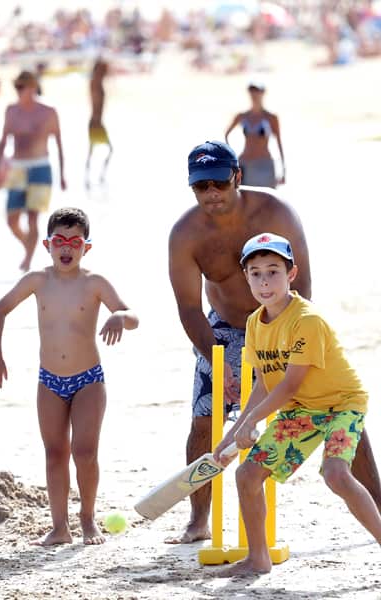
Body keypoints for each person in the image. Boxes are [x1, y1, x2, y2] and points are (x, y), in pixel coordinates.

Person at [167, 140, 381, 544]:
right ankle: (199, 518)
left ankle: (379, 503)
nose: (211, 194)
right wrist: (218, 362)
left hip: (289, 321)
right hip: (228, 329)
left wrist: (294, 338)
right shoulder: (185, 233)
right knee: (205, 418)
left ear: (237, 177)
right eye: (201, 187)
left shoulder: (275, 211)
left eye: (219, 183)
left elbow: (304, 283)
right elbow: (188, 308)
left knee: (335, 404)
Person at [213, 233, 381, 576]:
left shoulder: (307, 320)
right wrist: (235, 430)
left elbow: (289, 385)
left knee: (335, 474)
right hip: (302, 409)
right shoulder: (254, 324)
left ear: (291, 274)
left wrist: (251, 424)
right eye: (256, 272)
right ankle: (259, 558)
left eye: (273, 271)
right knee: (247, 475)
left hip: (342, 404)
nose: (264, 281)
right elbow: (264, 384)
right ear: (245, 277)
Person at [0, 207, 138, 545]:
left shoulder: (94, 283)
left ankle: (87, 518)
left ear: (87, 247)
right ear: (47, 244)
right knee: (54, 452)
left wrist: (120, 317)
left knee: (84, 453)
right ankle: (59, 527)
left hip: (89, 380)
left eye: (75, 241)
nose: (66, 248)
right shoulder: (38, 280)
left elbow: (132, 314)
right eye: (60, 241)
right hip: (49, 381)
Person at [0, 71, 66, 272]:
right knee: (11, 219)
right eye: (16, 87)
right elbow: (4, 140)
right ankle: (29, 245)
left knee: (33, 217)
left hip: (41, 167)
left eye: (21, 87)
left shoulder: (48, 111)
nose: (18, 91)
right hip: (17, 167)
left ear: (33, 87)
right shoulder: (11, 110)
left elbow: (59, 143)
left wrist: (62, 175)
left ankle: (28, 259)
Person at [224, 82, 285, 187]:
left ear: (263, 93)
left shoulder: (271, 117)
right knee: (243, 200)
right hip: (245, 163)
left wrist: (283, 170)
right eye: (251, 91)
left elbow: (279, 143)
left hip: (264, 164)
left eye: (257, 91)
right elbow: (226, 135)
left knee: (266, 200)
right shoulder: (242, 116)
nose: (254, 95)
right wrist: (231, 159)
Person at [85, 59, 113, 187]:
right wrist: (97, 123)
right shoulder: (95, 84)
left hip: (97, 122)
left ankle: (92, 176)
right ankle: (94, 176)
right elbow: (96, 104)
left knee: (95, 151)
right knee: (106, 150)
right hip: (96, 123)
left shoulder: (96, 83)